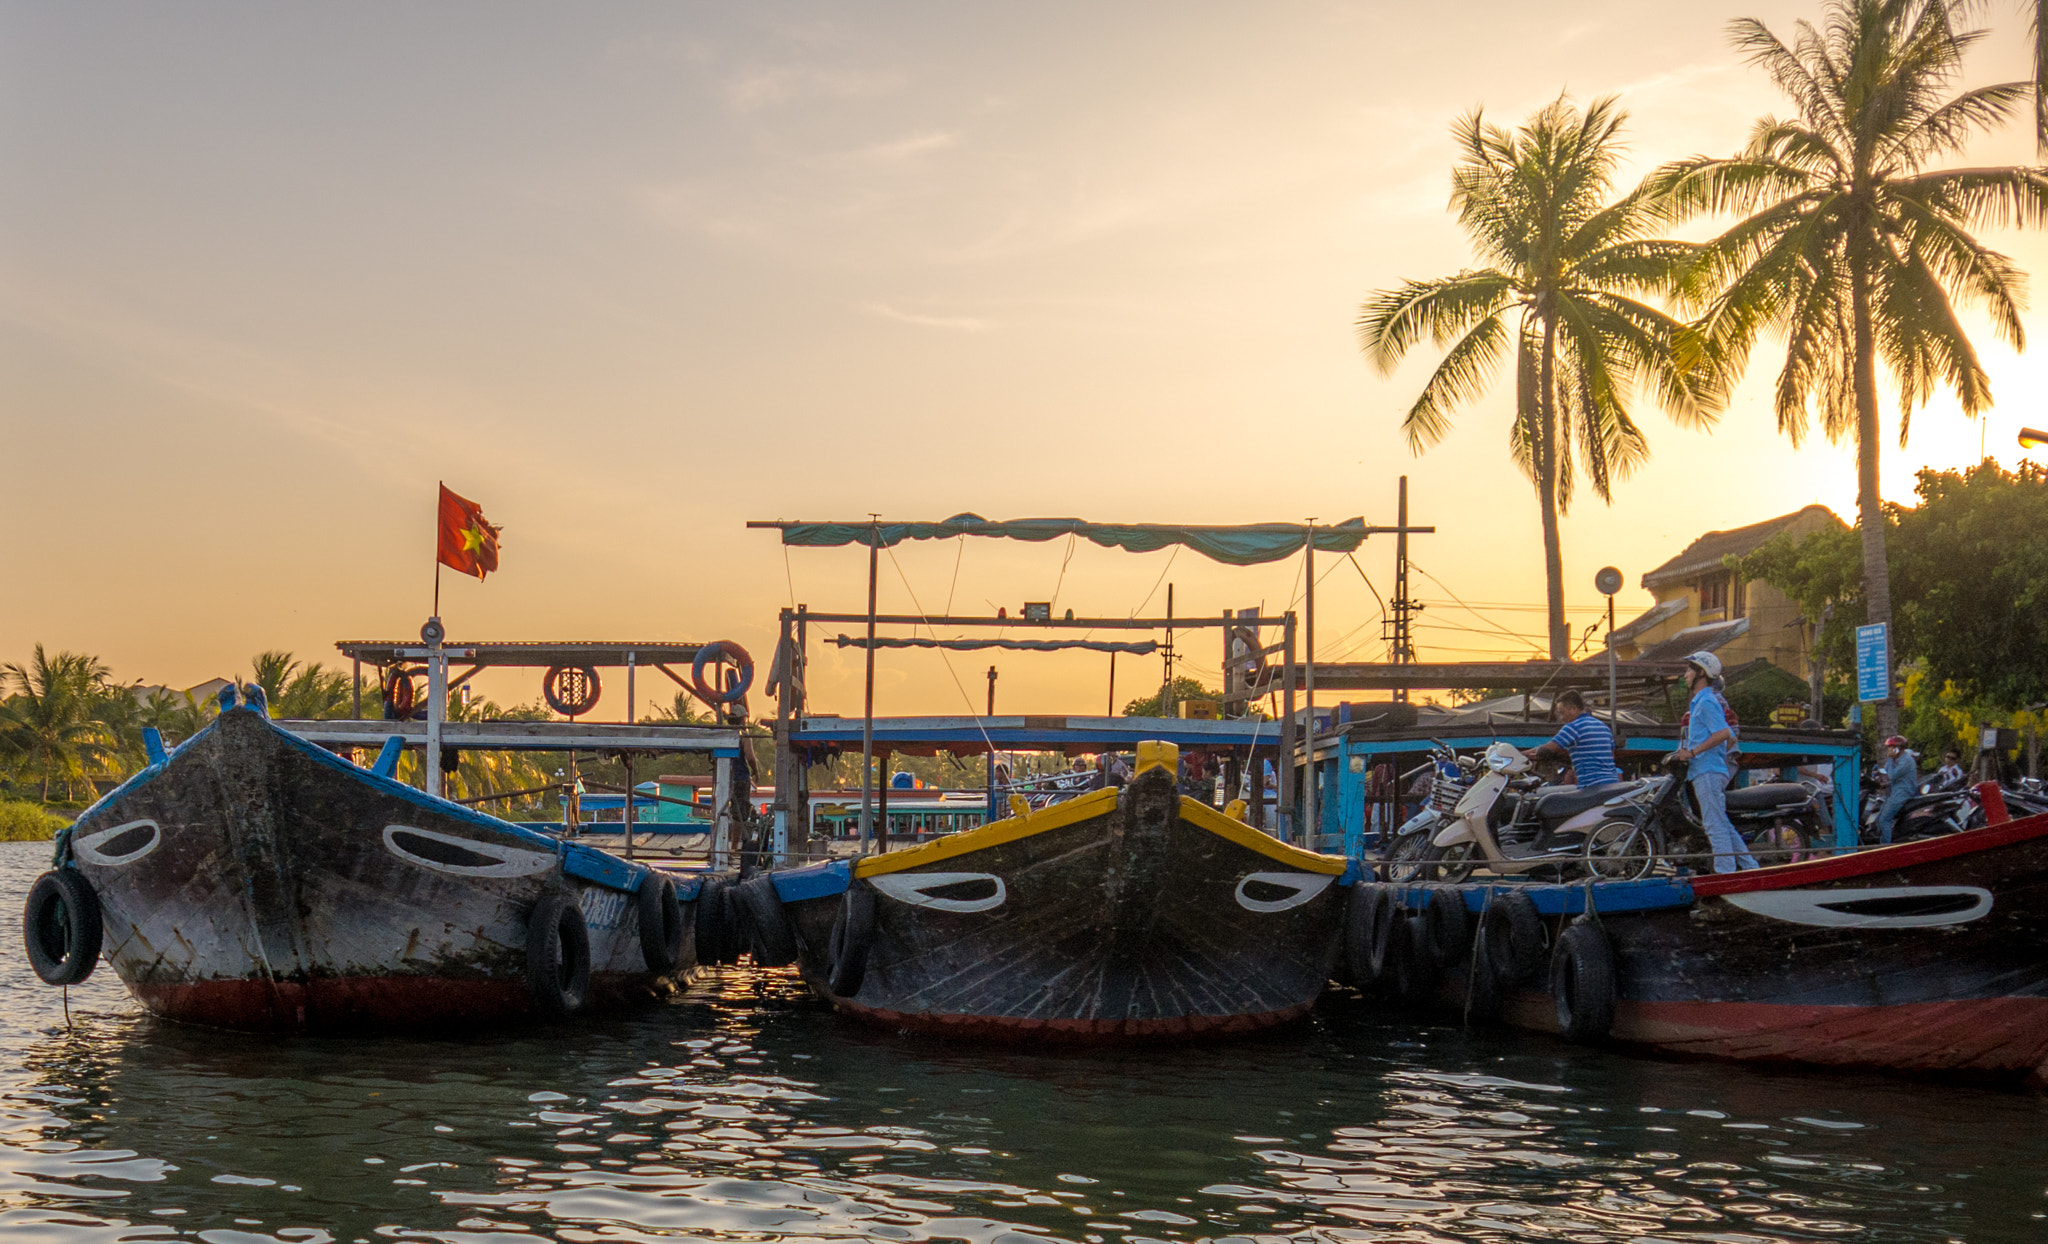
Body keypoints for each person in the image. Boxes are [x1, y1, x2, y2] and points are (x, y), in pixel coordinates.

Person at [1675, 651, 1756, 873]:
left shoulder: (1707, 701)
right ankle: (1751, 868)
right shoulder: (1702, 701)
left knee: (1713, 826)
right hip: (1707, 769)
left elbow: (1723, 733)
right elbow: (1727, 737)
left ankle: (1725, 874)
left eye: (1690, 670)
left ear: (1701, 672)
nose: (1686, 675)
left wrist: (1693, 752)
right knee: (1722, 824)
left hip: (1707, 770)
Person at [1531, 689, 1622, 790]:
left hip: (1591, 786)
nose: (1561, 718)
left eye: (1562, 713)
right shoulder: (1604, 727)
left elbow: (1548, 748)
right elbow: (1611, 756)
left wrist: (1518, 755)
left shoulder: (1573, 727)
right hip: (1613, 785)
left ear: (1573, 709)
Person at [1875, 735, 1921, 844]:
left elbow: (1891, 775)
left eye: (1891, 747)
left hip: (1903, 793)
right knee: (1878, 819)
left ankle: (1885, 847)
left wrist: (1890, 760)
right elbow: (1884, 776)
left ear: (1898, 748)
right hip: (1892, 792)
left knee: (1884, 819)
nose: (1889, 750)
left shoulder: (1906, 760)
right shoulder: (1893, 760)